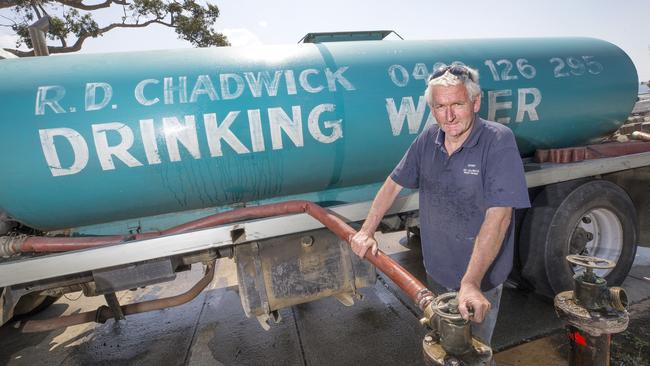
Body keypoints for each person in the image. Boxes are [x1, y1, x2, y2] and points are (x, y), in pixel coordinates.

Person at [350, 64, 530, 345]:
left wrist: (470, 284)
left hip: (480, 279)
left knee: (474, 353)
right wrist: (367, 230)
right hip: (436, 272)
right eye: (439, 106)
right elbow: (393, 184)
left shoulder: (497, 140)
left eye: (457, 104)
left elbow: (499, 217)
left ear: (475, 101)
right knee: (443, 347)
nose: (448, 116)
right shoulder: (428, 140)